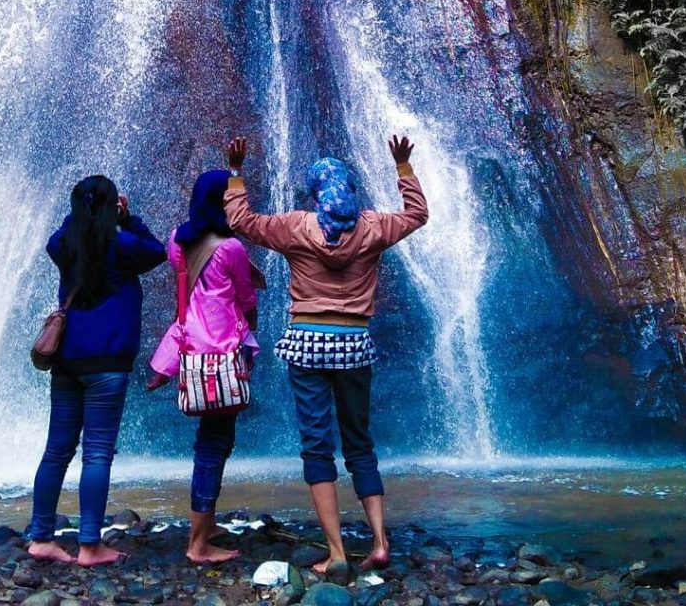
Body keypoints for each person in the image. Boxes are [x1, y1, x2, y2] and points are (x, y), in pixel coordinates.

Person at [223, 134, 428, 573]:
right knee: (360, 444)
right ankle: (378, 540)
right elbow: (417, 214)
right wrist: (403, 167)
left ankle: (336, 551)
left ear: (316, 192)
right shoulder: (372, 227)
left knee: (318, 448)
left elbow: (241, 221)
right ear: (350, 189)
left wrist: (237, 172)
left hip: (308, 343)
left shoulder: (297, 227)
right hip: (354, 344)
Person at [28, 175, 166, 567]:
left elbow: (59, 236)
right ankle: (89, 545)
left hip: (67, 363)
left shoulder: (64, 244)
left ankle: (41, 538)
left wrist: (79, 215)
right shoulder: (122, 245)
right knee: (97, 454)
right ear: (111, 208)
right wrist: (129, 218)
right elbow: (157, 251)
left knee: (56, 451)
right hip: (107, 364)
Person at [147, 169, 265, 564]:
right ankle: (198, 543)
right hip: (222, 353)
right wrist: (252, 323)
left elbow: (187, 294)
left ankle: (207, 521)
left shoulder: (178, 242)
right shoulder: (230, 248)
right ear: (221, 202)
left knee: (213, 439)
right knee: (214, 445)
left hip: (192, 352)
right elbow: (246, 298)